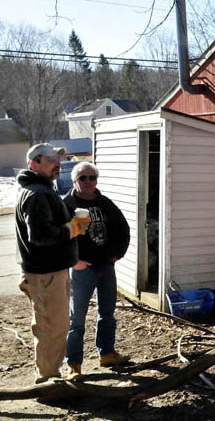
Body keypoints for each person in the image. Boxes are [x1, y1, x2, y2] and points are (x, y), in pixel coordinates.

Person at [15, 143, 90, 384]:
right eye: (50, 160)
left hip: (48, 273)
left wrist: (71, 225)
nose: (57, 164)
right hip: (45, 275)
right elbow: (40, 236)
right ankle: (47, 383)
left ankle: (50, 376)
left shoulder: (40, 190)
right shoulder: (37, 194)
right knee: (51, 329)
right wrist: (72, 228)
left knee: (54, 326)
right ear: (34, 164)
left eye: (59, 159)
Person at [62, 162, 131, 380]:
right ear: (74, 180)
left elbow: (123, 229)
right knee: (76, 319)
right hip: (82, 268)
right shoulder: (67, 204)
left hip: (105, 266)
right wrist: (73, 261)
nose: (88, 182)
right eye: (83, 178)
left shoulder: (104, 203)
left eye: (92, 177)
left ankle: (107, 353)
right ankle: (73, 364)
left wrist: (116, 254)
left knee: (107, 313)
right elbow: (58, 238)